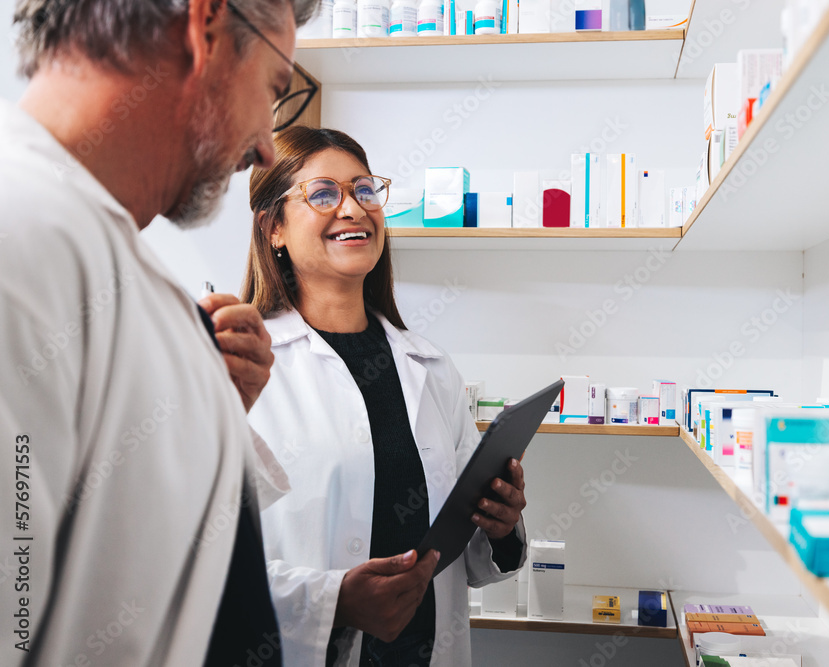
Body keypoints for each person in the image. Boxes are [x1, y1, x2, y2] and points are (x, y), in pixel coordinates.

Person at [0, 0, 319, 664]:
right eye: (273, 89)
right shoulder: (21, 236)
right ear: (206, 25)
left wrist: (209, 406)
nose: (266, 143)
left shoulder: (114, 264)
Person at [243, 126, 528, 666]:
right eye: (323, 194)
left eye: (365, 190)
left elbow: (465, 561)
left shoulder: (431, 368)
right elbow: (199, 565)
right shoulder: (245, 370)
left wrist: (503, 524)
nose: (352, 209)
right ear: (273, 227)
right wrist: (335, 603)